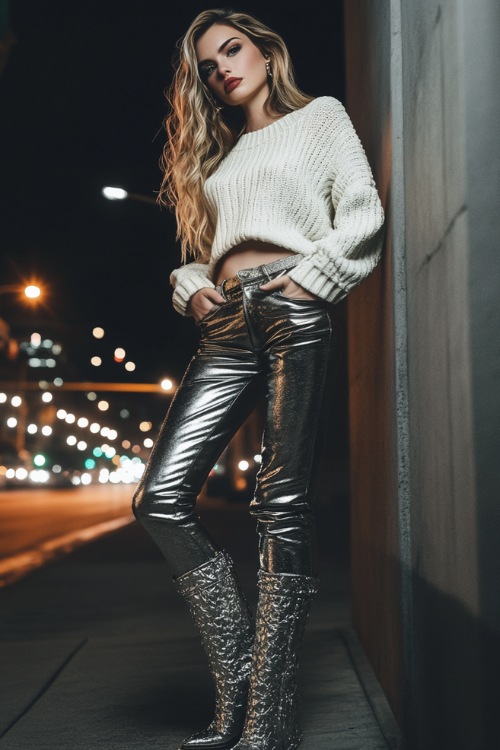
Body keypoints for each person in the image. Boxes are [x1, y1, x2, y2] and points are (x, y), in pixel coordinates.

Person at [132, 7, 384, 750]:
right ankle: (242, 680)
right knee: (160, 499)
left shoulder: (321, 119)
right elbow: (211, 249)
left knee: (280, 505)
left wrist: (313, 279)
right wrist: (191, 285)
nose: (222, 69)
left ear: (266, 53)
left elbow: (362, 211)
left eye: (232, 51)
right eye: (209, 66)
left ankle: (266, 722)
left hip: (291, 305)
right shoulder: (223, 157)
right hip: (225, 323)